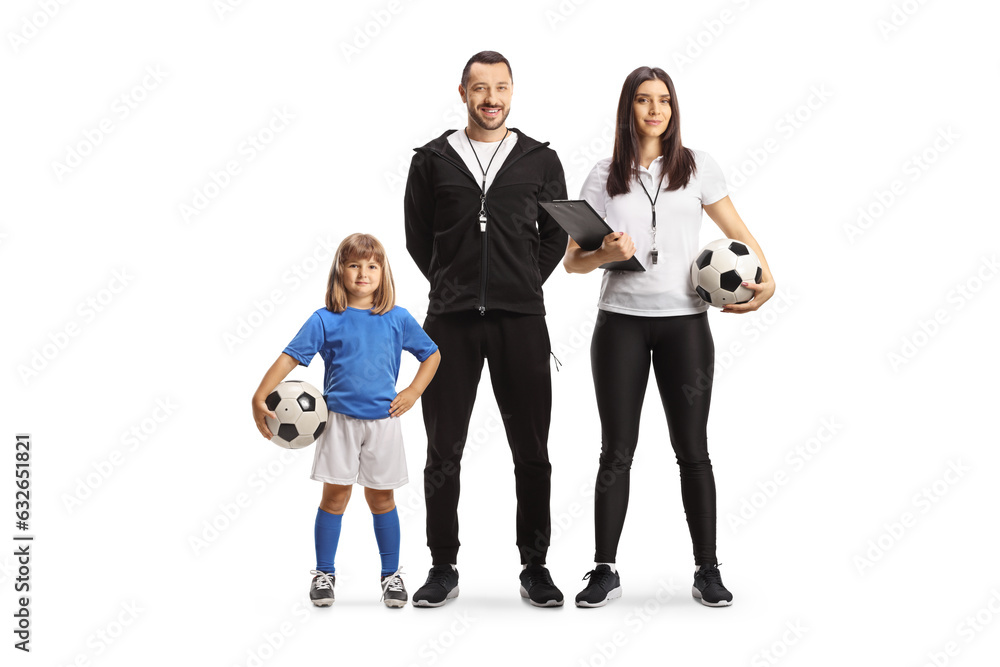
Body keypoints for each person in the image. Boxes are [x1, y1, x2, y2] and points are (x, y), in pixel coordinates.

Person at [564, 66, 776, 608]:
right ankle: (604, 569)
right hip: (620, 325)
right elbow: (572, 264)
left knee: (693, 450)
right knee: (616, 451)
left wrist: (767, 279)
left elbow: (740, 234)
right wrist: (605, 255)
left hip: (686, 325)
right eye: (643, 100)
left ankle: (707, 568)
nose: (655, 110)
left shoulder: (699, 167)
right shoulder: (603, 174)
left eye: (663, 100)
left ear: (674, 108)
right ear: (627, 109)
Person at [403, 50, 568, 607]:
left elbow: (556, 235)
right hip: (448, 326)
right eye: (480, 88)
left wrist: (520, 282)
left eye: (500, 87)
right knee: (442, 450)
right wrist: (453, 284)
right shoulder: (431, 159)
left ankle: (536, 567)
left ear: (512, 92)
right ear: (463, 92)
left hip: (520, 321)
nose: (491, 98)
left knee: (533, 450)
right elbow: (417, 238)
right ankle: (442, 566)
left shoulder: (540, 160)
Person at [251, 233, 441, 608]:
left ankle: (391, 576)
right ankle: (324, 574)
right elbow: (290, 357)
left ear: (383, 272)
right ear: (340, 271)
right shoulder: (325, 320)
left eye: (372, 266)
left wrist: (413, 392)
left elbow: (431, 355)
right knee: (335, 497)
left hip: (383, 422)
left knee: (382, 499)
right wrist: (260, 394)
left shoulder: (397, 318)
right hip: (337, 422)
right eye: (354, 265)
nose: (362, 273)